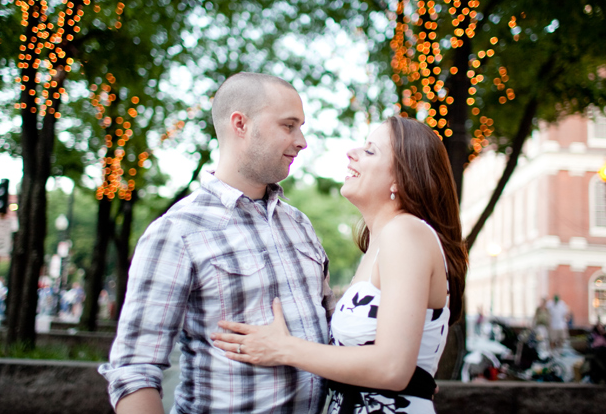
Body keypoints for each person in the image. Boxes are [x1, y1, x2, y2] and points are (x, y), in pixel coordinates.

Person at [99, 73, 334, 414]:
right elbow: (133, 371)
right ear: (240, 124)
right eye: (288, 125)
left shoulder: (299, 224)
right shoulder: (177, 231)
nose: (302, 141)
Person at [212, 116, 468, 414]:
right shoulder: (380, 245)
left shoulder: (406, 233)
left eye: (371, 151)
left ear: (402, 178)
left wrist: (283, 348)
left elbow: (392, 368)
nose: (352, 153)